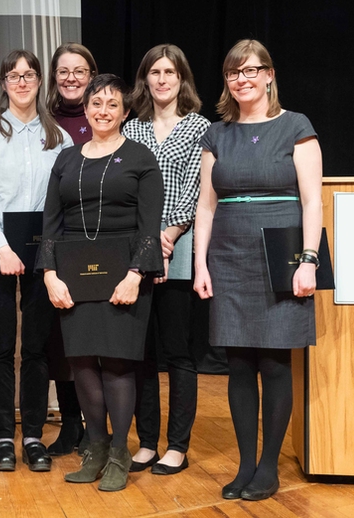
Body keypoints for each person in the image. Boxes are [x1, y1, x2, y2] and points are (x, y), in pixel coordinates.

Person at [194, 39, 321, 501]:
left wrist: (309, 259)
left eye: (250, 70)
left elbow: (312, 200)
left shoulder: (295, 126)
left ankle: (269, 467)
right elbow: (205, 207)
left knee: (274, 360)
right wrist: (200, 264)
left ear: (268, 75)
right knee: (239, 363)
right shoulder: (217, 133)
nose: (242, 79)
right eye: (233, 73)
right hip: (228, 252)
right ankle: (245, 463)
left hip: (280, 251)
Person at [40, 74, 164, 492]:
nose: (103, 111)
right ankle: (95, 446)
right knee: (81, 363)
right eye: (96, 103)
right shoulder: (67, 158)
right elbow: (51, 223)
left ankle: (119, 453)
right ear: (86, 109)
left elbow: (150, 227)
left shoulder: (141, 158)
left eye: (112, 104)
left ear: (125, 112)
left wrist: (135, 275)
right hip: (74, 274)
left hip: (124, 273)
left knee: (115, 363)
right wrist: (50, 273)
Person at [0, 49, 72, 473]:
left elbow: (62, 202)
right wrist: (3, 249)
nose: (22, 82)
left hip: (43, 251)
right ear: (4, 83)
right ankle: (3, 436)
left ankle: (32, 434)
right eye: (14, 75)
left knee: (36, 347)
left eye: (29, 75)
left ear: (39, 81)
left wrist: (44, 252)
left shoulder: (58, 136)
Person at [123, 44, 211, 476]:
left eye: (170, 72)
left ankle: (177, 445)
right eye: (154, 72)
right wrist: (145, 242)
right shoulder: (132, 128)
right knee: (140, 352)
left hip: (177, 250)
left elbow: (199, 189)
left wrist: (169, 235)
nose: (161, 79)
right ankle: (146, 443)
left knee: (177, 350)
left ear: (182, 79)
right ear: (146, 79)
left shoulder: (199, 127)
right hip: (135, 251)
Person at [44, 42, 99, 457]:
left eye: (79, 71)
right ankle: (69, 425)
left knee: (97, 339)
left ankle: (99, 427)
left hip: (100, 241)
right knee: (61, 341)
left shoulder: (106, 115)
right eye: (63, 71)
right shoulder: (43, 121)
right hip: (61, 244)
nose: (71, 79)